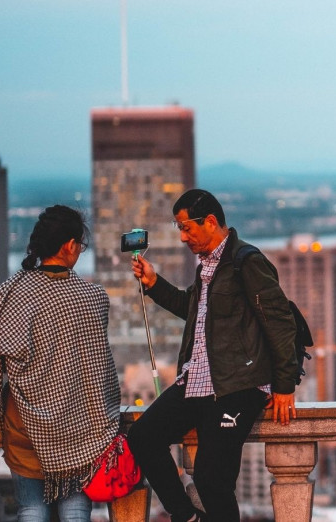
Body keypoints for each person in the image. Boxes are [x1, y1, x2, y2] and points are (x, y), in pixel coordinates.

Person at [126, 188, 300, 522]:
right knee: (143, 436)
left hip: (237, 385)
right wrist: (153, 283)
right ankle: (185, 516)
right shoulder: (207, 267)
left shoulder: (245, 262)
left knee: (211, 478)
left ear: (210, 222)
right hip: (197, 379)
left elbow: (279, 322)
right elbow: (189, 309)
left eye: (186, 227)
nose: (182, 237)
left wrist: (284, 385)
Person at [0, 205, 120, 522]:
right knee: (75, 510)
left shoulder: (8, 293)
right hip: (78, 428)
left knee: (31, 509)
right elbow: (100, 373)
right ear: (69, 245)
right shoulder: (92, 297)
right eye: (81, 245)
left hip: (23, 424)